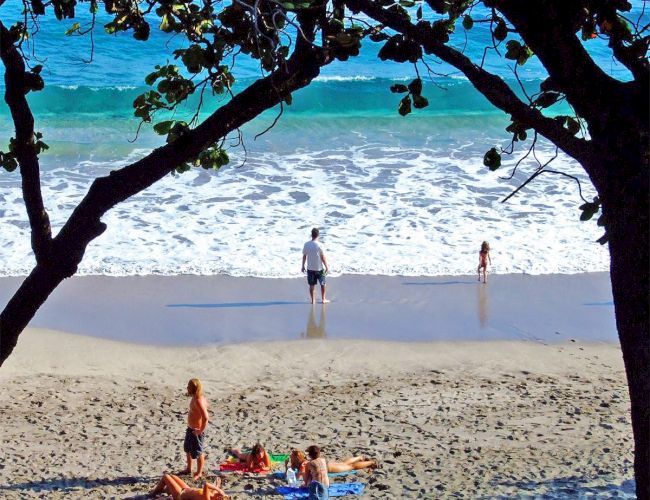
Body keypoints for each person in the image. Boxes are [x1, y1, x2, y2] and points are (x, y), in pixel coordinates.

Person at [179, 378, 209, 480]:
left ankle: (199, 472)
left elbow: (206, 417)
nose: (187, 388)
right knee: (187, 449)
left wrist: (200, 430)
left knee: (198, 452)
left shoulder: (199, 401)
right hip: (190, 428)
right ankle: (188, 468)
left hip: (197, 431)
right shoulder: (195, 398)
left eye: (189, 387)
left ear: (194, 388)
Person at [286, 449, 377, 479]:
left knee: (350, 467)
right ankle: (360, 457)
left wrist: (287, 467)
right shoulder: (301, 462)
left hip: (328, 468)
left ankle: (372, 462)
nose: (290, 458)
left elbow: (298, 477)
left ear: (297, 459)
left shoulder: (303, 464)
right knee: (343, 463)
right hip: (325, 464)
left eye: (291, 457)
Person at [301, 228, 330, 304]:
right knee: (323, 284)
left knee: (311, 285)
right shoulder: (320, 245)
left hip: (310, 268)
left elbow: (304, 256)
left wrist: (303, 266)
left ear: (311, 234)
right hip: (319, 269)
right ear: (318, 235)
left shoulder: (306, 244)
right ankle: (323, 299)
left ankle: (313, 300)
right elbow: (323, 257)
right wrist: (327, 267)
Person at [148, 473, 228, 499]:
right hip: (186, 488)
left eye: (220, 495)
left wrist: (218, 489)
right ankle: (162, 490)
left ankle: (153, 493)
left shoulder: (207, 499)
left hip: (180, 495)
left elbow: (206, 485)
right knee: (172, 476)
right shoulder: (213, 495)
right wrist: (218, 485)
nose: (219, 493)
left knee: (166, 477)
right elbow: (214, 490)